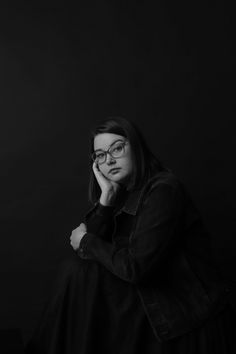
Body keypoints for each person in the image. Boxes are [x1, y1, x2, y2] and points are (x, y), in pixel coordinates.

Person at [25, 117, 235, 354]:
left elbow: (136, 268)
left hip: (178, 305)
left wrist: (87, 240)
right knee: (76, 270)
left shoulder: (163, 190)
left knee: (77, 274)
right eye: (100, 155)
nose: (109, 160)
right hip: (147, 292)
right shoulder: (122, 192)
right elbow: (86, 254)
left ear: (136, 147)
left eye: (117, 148)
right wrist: (105, 199)